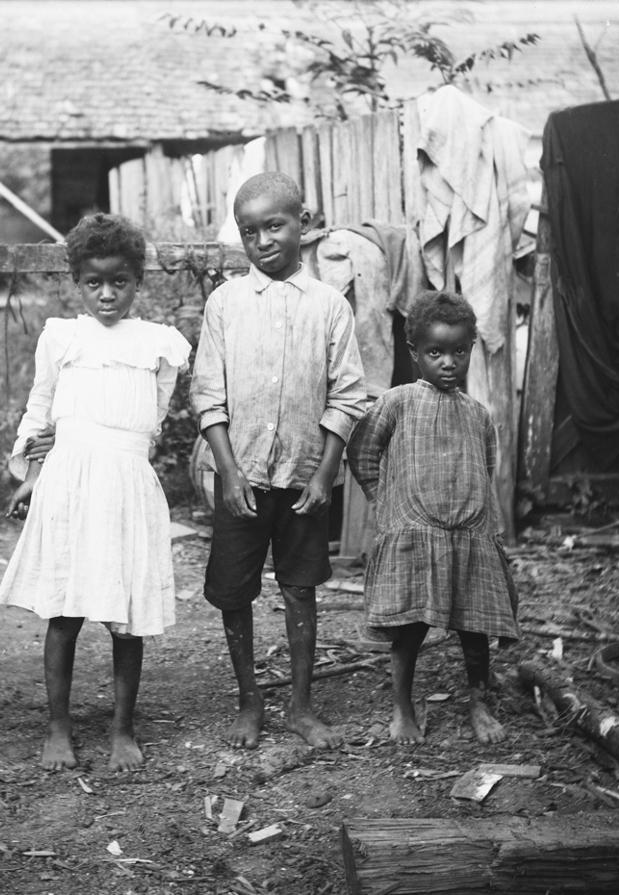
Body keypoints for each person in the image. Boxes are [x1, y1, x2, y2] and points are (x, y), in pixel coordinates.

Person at [0, 213, 191, 773]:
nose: (107, 295)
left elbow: (150, 422)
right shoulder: (62, 337)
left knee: (127, 615)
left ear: (137, 281)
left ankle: (122, 728)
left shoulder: (159, 345)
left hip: (126, 487)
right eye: (94, 282)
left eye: (119, 282)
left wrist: (110, 448)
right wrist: (32, 475)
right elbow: (41, 408)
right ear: (77, 282)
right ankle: (58, 727)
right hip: (69, 485)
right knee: (65, 611)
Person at [190, 172, 367, 750]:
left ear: (303, 223)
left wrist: (324, 473)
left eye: (274, 226)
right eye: (250, 231)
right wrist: (228, 471)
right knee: (234, 591)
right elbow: (207, 396)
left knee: (300, 588)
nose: (263, 241)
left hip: (303, 478)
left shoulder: (330, 306)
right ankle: (249, 701)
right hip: (240, 478)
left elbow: (348, 396)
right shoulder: (225, 304)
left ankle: (300, 706)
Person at [346, 291, 520, 745]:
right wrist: (386, 502)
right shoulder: (398, 402)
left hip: (469, 535)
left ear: (471, 349)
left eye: (459, 351)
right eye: (435, 352)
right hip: (416, 534)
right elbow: (362, 452)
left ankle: (479, 702)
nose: (448, 363)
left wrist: (486, 526)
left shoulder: (478, 415)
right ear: (415, 352)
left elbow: (485, 470)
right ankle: (402, 708)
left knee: (474, 629)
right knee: (410, 628)